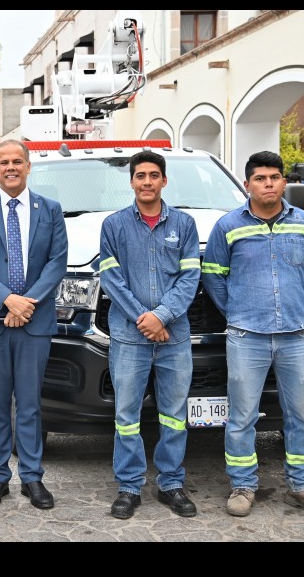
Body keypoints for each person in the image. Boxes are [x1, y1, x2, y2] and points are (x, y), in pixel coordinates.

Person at [202, 150, 304, 519]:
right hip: (247, 336)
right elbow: (213, 275)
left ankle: (301, 487)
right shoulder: (228, 226)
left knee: (301, 416)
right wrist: (238, 310)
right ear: (247, 185)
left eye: (275, 177)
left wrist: (295, 304)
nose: (268, 184)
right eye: (260, 178)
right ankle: (243, 486)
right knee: (242, 416)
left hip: (296, 335)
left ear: (284, 182)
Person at [0, 139, 68, 510]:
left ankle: (32, 477)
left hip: (34, 324)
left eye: (17, 161)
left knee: (30, 403)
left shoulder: (50, 210)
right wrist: (8, 300)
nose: (10, 167)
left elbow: (57, 262)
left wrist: (27, 304)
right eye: (4, 162)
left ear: (28, 166)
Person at [99, 150, 201, 520]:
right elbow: (111, 278)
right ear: (131, 182)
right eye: (140, 175)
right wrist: (144, 319)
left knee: (173, 414)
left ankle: (171, 483)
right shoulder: (113, 225)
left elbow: (190, 277)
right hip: (130, 337)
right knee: (127, 414)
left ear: (164, 181)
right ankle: (129, 486)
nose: (146, 182)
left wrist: (162, 316)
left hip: (174, 337)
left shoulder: (185, 225)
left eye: (153, 175)